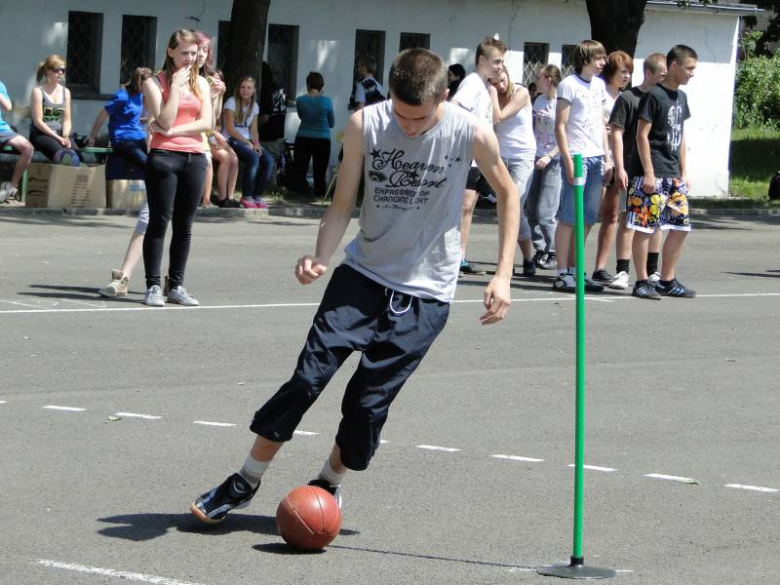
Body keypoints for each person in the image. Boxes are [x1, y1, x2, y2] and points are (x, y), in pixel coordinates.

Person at [189, 48, 519, 524]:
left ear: (443, 97)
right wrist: (320, 257)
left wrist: (503, 274)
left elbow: (509, 194)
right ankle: (245, 478)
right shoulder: (367, 124)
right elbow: (342, 203)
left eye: (419, 118)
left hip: (427, 293)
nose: (407, 127)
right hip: (362, 275)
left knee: (366, 404)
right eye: (401, 115)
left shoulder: (469, 130)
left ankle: (328, 482)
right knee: (307, 379)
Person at [141, 29, 213, 307]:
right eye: (184, 52)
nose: (190, 59)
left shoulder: (202, 84)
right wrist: (175, 87)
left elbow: (207, 123)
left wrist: (171, 132)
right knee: (159, 222)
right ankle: (153, 285)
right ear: (170, 51)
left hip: (194, 157)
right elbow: (165, 118)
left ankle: (177, 284)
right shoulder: (154, 82)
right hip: (163, 158)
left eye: (194, 54)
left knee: (185, 225)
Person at [628, 45, 698, 300]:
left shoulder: (681, 98)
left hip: (673, 174)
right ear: (673, 66)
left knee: (680, 226)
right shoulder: (654, 96)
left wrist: (684, 171)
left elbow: (679, 136)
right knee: (645, 227)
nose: (692, 73)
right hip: (652, 173)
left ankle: (667, 279)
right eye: (689, 68)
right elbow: (641, 136)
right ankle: (641, 281)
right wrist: (648, 172)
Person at [552, 40, 611, 293]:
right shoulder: (568, 84)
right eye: (598, 58)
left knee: (587, 218)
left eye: (603, 58)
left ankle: (577, 269)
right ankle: (561, 271)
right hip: (577, 156)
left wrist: (607, 157)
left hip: (597, 156)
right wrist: (567, 159)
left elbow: (600, 122)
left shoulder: (599, 85)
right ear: (586, 58)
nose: (602, 63)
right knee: (568, 217)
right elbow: (560, 125)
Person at [92, 67, 153, 298]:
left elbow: (142, 116)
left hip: (136, 135)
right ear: (139, 82)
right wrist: (92, 135)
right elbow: (102, 114)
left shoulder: (141, 96)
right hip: (121, 138)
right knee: (145, 162)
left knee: (155, 157)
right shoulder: (123, 95)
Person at [607, 53, 667, 291]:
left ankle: (653, 271)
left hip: (659, 169)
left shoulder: (664, 99)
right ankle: (622, 271)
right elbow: (617, 134)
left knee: (656, 221)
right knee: (628, 220)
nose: (665, 79)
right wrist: (619, 167)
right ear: (649, 73)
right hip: (633, 169)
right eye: (662, 75)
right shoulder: (629, 98)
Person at [451, 36, 507, 276]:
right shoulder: (472, 82)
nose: (499, 67)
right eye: (496, 62)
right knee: (462, 206)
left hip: (477, 158)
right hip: (465, 156)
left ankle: (459, 256)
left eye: (502, 62)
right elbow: (454, 110)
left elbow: (495, 119)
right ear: (481, 59)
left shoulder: (484, 86)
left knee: (468, 207)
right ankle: (453, 256)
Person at [488, 65, 537, 277]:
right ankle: (528, 258)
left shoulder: (521, 92)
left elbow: (498, 117)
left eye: (502, 79)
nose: (500, 85)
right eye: (495, 82)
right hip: (500, 156)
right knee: (508, 209)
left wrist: (490, 93)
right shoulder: (490, 94)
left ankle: (506, 263)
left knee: (512, 205)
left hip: (522, 157)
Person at [591, 51, 633, 287]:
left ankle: (600, 267)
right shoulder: (600, 94)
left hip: (618, 161)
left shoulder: (624, 98)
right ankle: (571, 264)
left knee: (612, 215)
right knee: (589, 214)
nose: (626, 76)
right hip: (597, 157)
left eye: (629, 72)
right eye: (622, 72)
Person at [525, 64, 563, 270]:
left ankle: (555, 251)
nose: (535, 80)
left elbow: (567, 137)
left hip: (553, 161)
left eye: (539, 77)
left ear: (548, 80)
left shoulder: (560, 103)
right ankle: (540, 248)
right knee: (530, 209)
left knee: (545, 211)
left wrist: (550, 156)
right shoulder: (539, 100)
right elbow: (532, 129)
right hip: (536, 156)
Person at [222, 76, 274, 209]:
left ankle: (257, 196)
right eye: (242, 87)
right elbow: (230, 129)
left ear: (254, 90)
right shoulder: (231, 102)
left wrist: (256, 143)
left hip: (248, 140)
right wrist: (247, 142)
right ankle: (246, 196)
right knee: (253, 158)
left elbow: (254, 130)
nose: (245, 90)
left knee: (268, 160)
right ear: (238, 89)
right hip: (231, 139)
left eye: (248, 87)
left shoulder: (255, 106)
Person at [29, 55, 81, 166]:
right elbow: (38, 122)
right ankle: (59, 183)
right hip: (41, 134)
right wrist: (57, 138)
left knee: (79, 159)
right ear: (48, 71)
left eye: (63, 70)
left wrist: (66, 136)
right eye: (57, 70)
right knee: (65, 158)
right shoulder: (38, 92)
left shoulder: (65, 92)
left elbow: (67, 120)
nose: (61, 73)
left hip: (60, 133)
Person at [293, 71, 334, 198]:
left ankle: (300, 191)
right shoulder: (327, 101)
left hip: (303, 136)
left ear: (308, 84)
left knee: (300, 167)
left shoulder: (300, 100)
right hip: (322, 139)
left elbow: (301, 116)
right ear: (322, 85)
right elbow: (331, 123)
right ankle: (319, 193)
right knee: (320, 169)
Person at [207, 70, 240, 208]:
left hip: (214, 136)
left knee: (234, 158)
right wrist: (215, 133)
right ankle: (221, 198)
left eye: (219, 81)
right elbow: (204, 123)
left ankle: (229, 197)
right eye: (213, 81)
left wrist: (219, 96)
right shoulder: (204, 96)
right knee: (226, 157)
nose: (216, 84)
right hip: (204, 137)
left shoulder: (218, 98)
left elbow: (218, 122)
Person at [0, 80, 34, 203]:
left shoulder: (0, 85)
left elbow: (8, 107)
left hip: (1, 129)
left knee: (27, 148)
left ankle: (11, 187)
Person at [259, 62, 288, 185]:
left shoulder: (266, 89)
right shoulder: (280, 87)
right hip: (279, 131)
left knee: (267, 163)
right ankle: (272, 186)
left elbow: (265, 117)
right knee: (274, 163)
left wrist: (254, 129)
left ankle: (268, 187)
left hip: (268, 133)